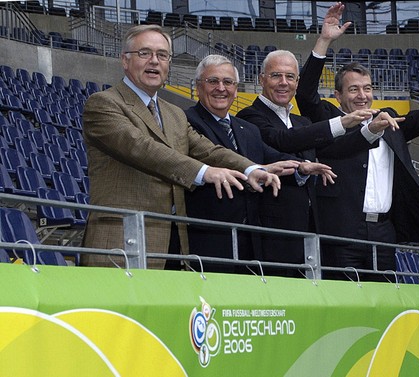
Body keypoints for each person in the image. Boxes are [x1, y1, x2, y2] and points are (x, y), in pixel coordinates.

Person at [82, 25, 281, 270]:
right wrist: (205, 172)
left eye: (162, 55)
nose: (154, 61)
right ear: (125, 60)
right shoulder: (103, 104)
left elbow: (208, 150)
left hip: (174, 245)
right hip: (121, 241)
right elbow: (142, 149)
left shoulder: (173, 113)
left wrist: (251, 169)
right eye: (144, 53)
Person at [295, 2, 419, 280]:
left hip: (384, 233)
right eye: (353, 89)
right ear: (338, 95)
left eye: (367, 89)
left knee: (382, 308)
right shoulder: (328, 118)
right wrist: (324, 40)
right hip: (341, 233)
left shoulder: (388, 120)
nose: (361, 96)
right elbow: (306, 95)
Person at [184, 54, 335, 275]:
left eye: (228, 82)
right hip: (209, 238)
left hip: (252, 241)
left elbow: (271, 158)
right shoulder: (186, 121)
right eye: (213, 81)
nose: (221, 88)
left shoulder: (246, 129)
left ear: (236, 90)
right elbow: (219, 160)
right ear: (198, 86)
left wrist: (301, 167)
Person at [237, 48, 380, 275]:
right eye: (276, 76)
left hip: (311, 235)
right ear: (261, 79)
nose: (284, 83)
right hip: (271, 236)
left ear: (297, 82)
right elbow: (283, 141)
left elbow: (335, 149)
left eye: (290, 77)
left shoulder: (302, 122)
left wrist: (372, 131)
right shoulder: (249, 117)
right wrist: (342, 123)